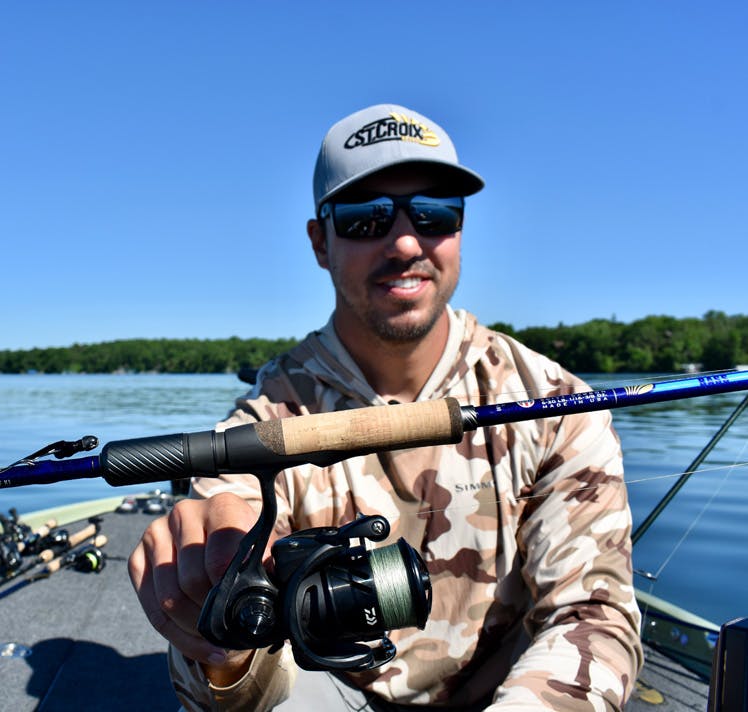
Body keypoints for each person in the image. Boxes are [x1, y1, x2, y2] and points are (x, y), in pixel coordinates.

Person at [128, 104, 642, 711]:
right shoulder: (261, 425)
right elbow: (225, 691)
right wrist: (219, 624)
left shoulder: (554, 404)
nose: (405, 241)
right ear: (321, 242)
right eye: (365, 217)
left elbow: (592, 615)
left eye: (435, 213)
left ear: (460, 228)